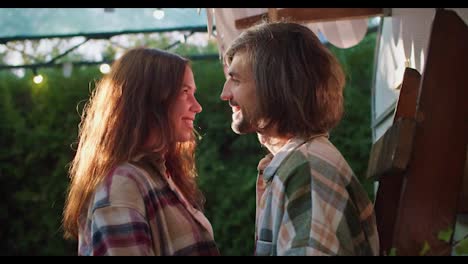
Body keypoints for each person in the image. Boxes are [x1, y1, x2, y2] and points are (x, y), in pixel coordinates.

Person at [220, 21, 379, 256]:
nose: (224, 94)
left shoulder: (307, 169)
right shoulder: (297, 163)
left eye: (236, 80)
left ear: (275, 84)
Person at [63, 47, 220, 256]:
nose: (197, 106)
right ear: (149, 99)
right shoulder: (121, 184)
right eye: (185, 92)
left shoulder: (154, 174)